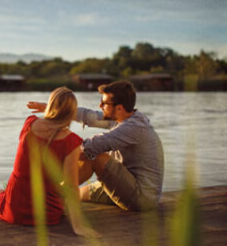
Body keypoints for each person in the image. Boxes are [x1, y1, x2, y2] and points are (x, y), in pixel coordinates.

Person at [27, 80, 163, 211]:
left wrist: (50, 158)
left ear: (119, 107)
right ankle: (54, 197)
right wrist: (51, 108)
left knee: (94, 155)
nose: (100, 106)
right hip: (128, 185)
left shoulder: (133, 128)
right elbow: (89, 116)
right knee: (78, 194)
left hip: (142, 197)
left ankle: (50, 197)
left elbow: (91, 146)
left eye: (104, 103)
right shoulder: (121, 118)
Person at [0, 87, 99, 237]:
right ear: (72, 113)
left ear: (51, 106)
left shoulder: (29, 124)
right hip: (48, 214)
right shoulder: (72, 142)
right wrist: (78, 226)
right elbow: (71, 187)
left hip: (15, 210)